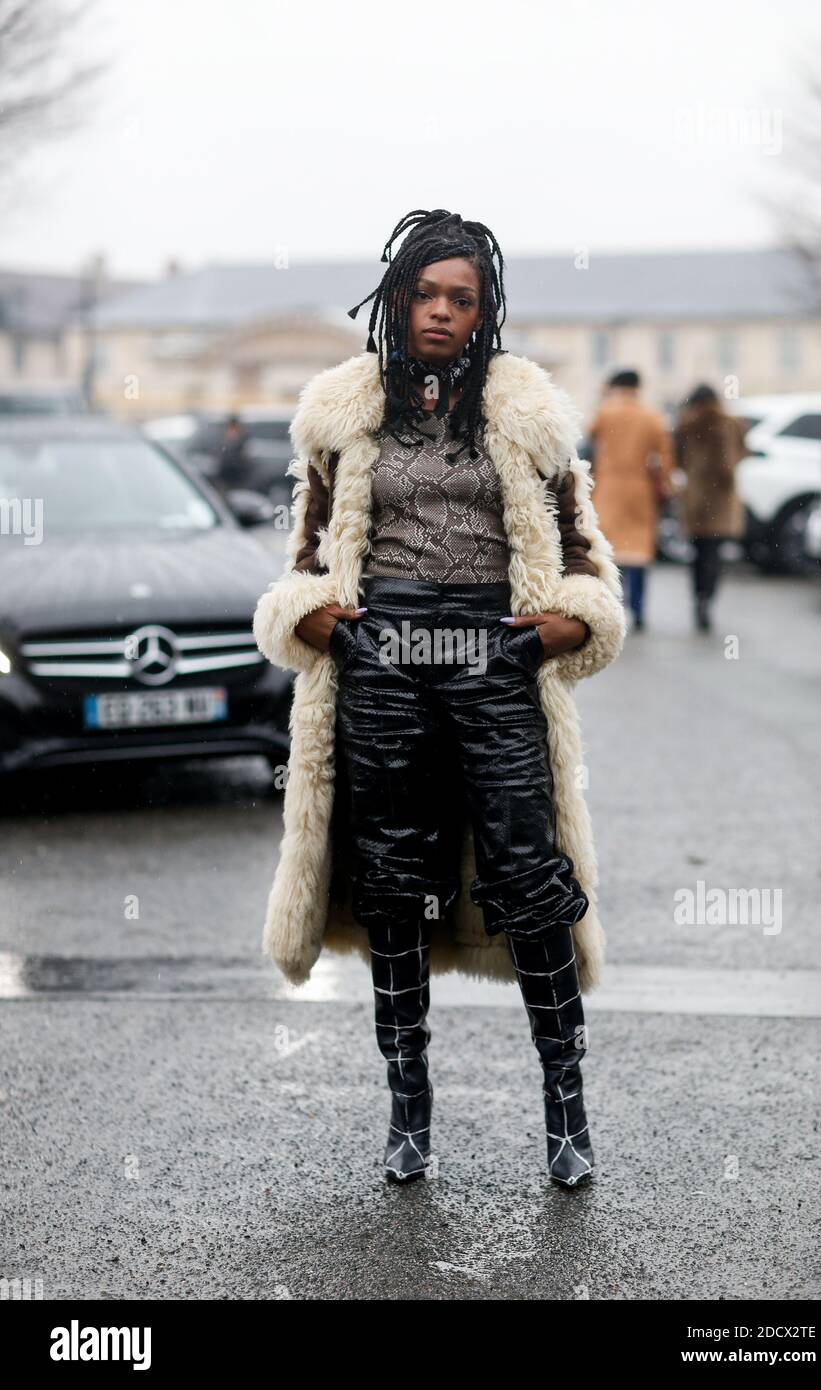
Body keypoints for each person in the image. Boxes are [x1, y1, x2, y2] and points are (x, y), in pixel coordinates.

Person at [253, 209, 626, 1188]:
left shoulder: (526, 418)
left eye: (461, 298)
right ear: (396, 298)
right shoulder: (344, 418)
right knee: (391, 883)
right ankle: (408, 1107)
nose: (441, 312)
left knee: (527, 878)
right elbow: (304, 561)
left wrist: (563, 625)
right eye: (425, 293)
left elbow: (581, 557)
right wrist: (326, 621)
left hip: (492, 661)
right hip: (382, 668)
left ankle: (565, 1109)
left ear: (482, 310)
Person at [587, 369, 674, 630]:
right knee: (638, 551)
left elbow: (590, 434)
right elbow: (665, 457)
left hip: (608, 487)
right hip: (640, 489)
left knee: (609, 550)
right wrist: (666, 485)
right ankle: (638, 607)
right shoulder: (652, 416)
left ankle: (613, 603)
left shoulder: (606, 412)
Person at [672, 384, 748, 630]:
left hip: (696, 496)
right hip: (720, 497)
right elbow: (732, 459)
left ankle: (698, 597)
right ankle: (708, 599)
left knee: (698, 552)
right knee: (714, 554)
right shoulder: (729, 424)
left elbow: (679, 460)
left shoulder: (687, 426)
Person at [213, 414, 251, 496]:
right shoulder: (223, 440)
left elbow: (244, 458)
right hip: (225, 476)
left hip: (238, 477)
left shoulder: (242, 441)